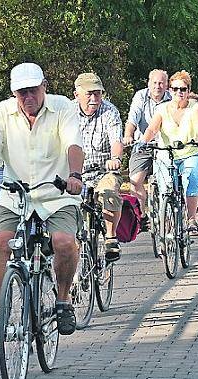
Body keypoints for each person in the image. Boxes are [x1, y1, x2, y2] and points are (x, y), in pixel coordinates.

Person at [0, 62, 85, 338]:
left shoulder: (63, 107)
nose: (28, 98)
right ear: (13, 94)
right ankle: (3, 313)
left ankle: (63, 301)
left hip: (57, 192)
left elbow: (73, 144)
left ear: (44, 87)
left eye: (33, 90)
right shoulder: (2, 113)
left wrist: (74, 175)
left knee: (64, 242)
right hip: (15, 194)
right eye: (21, 93)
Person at [141, 70, 198, 236]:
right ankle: (166, 217)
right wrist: (144, 141)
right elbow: (152, 128)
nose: (179, 92)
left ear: (188, 91)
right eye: (175, 88)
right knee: (165, 186)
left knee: (191, 175)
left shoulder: (195, 108)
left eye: (183, 89)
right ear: (169, 90)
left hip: (190, 153)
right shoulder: (162, 108)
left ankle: (191, 219)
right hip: (167, 154)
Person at [73, 72, 124, 262]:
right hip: (76, 172)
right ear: (77, 94)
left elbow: (116, 140)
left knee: (109, 191)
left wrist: (115, 158)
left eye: (98, 93)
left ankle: (111, 237)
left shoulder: (110, 112)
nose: (94, 98)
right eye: (89, 94)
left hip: (103, 170)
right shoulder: (67, 112)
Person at [123, 69, 171, 228]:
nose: (158, 86)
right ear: (149, 84)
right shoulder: (140, 96)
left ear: (167, 85)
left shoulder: (172, 98)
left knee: (170, 181)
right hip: (143, 144)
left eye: (161, 83)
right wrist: (128, 135)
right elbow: (132, 118)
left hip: (164, 145)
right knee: (135, 181)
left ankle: (171, 213)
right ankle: (141, 215)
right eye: (155, 83)